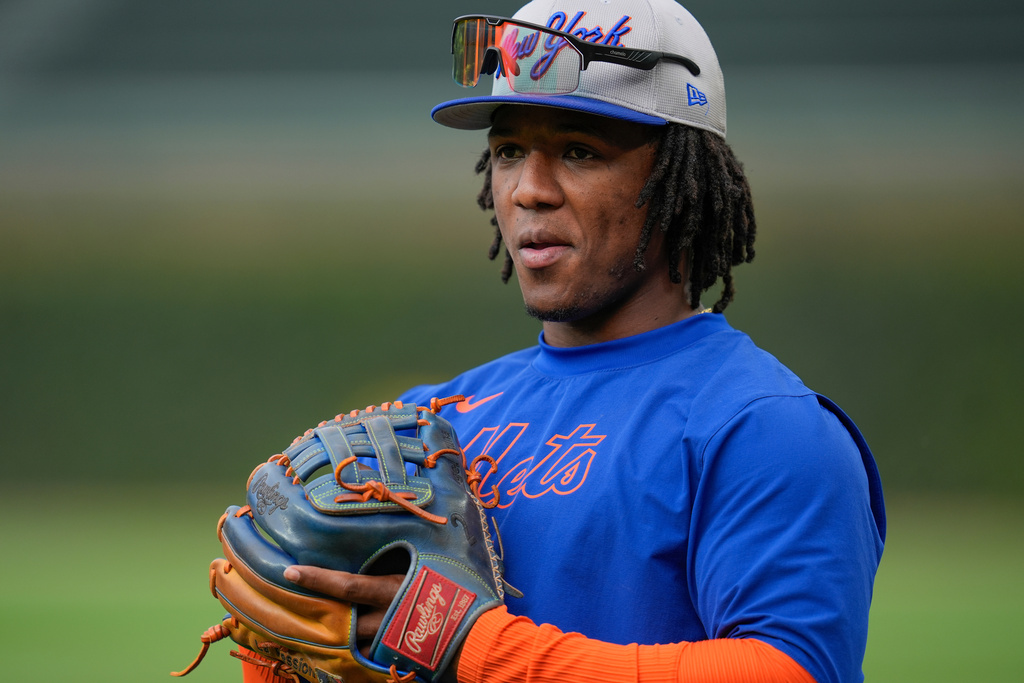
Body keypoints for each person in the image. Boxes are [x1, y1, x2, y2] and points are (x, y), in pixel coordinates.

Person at [244, 1, 886, 682]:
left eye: (579, 151)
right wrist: (285, 637)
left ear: (677, 175)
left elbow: (791, 670)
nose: (529, 189)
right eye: (509, 151)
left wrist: (480, 650)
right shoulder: (432, 422)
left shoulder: (762, 427)